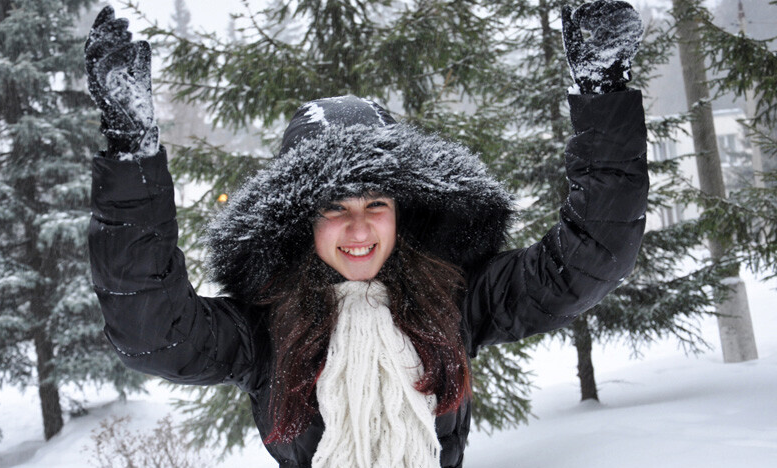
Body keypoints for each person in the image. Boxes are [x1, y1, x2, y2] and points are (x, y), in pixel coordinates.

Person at [85, 1, 648, 467]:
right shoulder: (261, 326)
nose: (359, 227)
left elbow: (589, 257)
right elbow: (152, 330)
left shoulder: (458, 298)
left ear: (403, 211)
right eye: (334, 207)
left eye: (376, 202)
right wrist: (131, 154)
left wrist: (605, 95)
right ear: (302, 221)